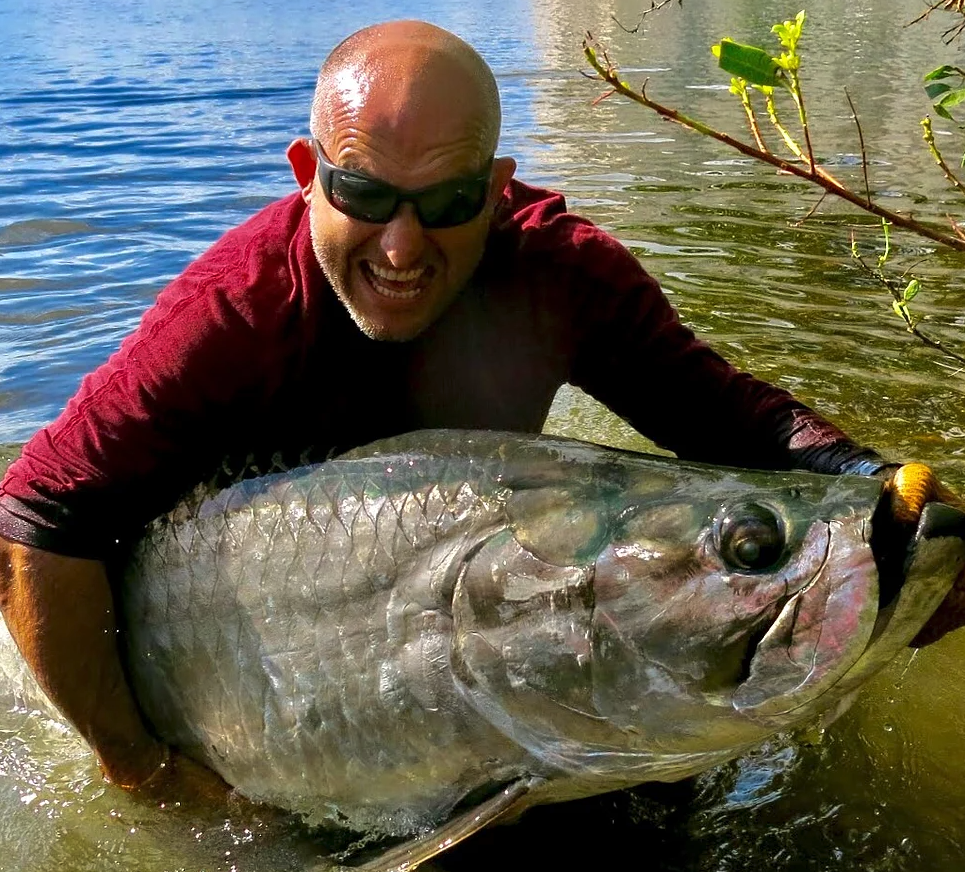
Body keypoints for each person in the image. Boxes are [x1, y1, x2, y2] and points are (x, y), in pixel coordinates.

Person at [0, 20, 958, 803]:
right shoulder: (234, 313)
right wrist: (140, 767)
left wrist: (869, 484)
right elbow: (35, 516)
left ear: (498, 191)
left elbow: (719, 415)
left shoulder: (561, 274)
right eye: (365, 195)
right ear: (309, 175)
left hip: (456, 592)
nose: (402, 246)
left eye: (448, 200)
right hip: (233, 622)